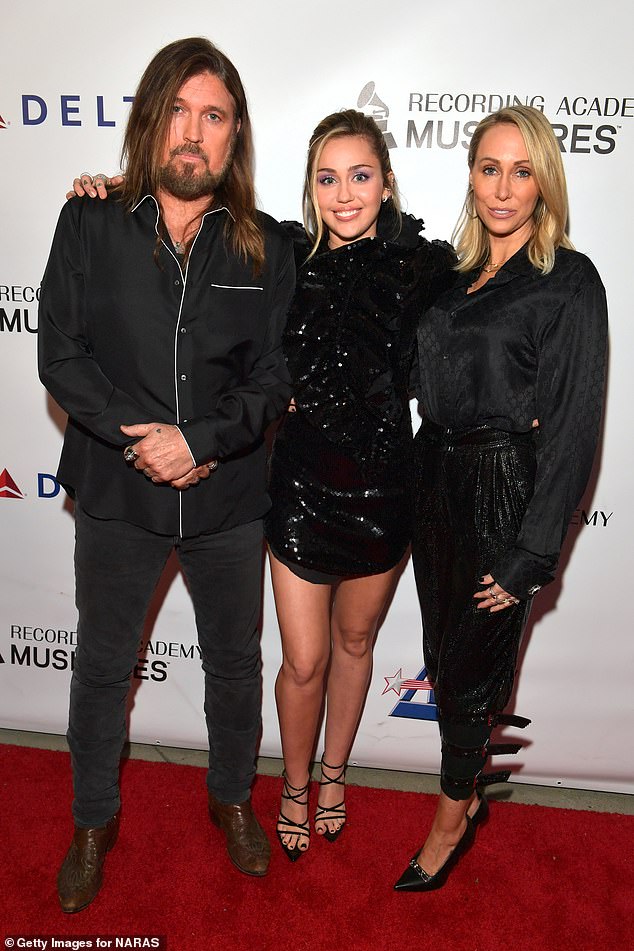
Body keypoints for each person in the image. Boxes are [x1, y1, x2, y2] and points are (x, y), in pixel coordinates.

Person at [38, 37, 295, 912]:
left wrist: (201, 442)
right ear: (152, 123)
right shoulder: (89, 221)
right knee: (104, 668)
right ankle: (91, 822)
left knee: (234, 663)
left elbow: (273, 381)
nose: (194, 132)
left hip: (227, 498)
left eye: (213, 116)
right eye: (178, 111)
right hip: (117, 491)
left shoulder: (268, 247)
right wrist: (139, 438)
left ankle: (232, 798)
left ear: (234, 137)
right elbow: (61, 357)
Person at [394, 105, 608, 892]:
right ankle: (472, 762)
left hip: (502, 488)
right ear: (471, 174)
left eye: (523, 170)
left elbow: (577, 425)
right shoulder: (450, 276)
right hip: (435, 482)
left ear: (545, 181)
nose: (504, 186)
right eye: (490, 167)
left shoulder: (568, 281)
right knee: (445, 664)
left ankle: (452, 817)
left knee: (469, 661)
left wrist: (531, 553)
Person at [264, 110, 455, 860]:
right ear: (311, 188)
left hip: (384, 493)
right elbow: (197, 216)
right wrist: (120, 188)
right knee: (302, 659)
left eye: (361, 175)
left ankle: (335, 773)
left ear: (386, 182)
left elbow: (494, 307)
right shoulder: (284, 256)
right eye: (328, 178)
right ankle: (293, 781)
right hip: (302, 489)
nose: (345, 194)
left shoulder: (424, 267)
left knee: (353, 641)